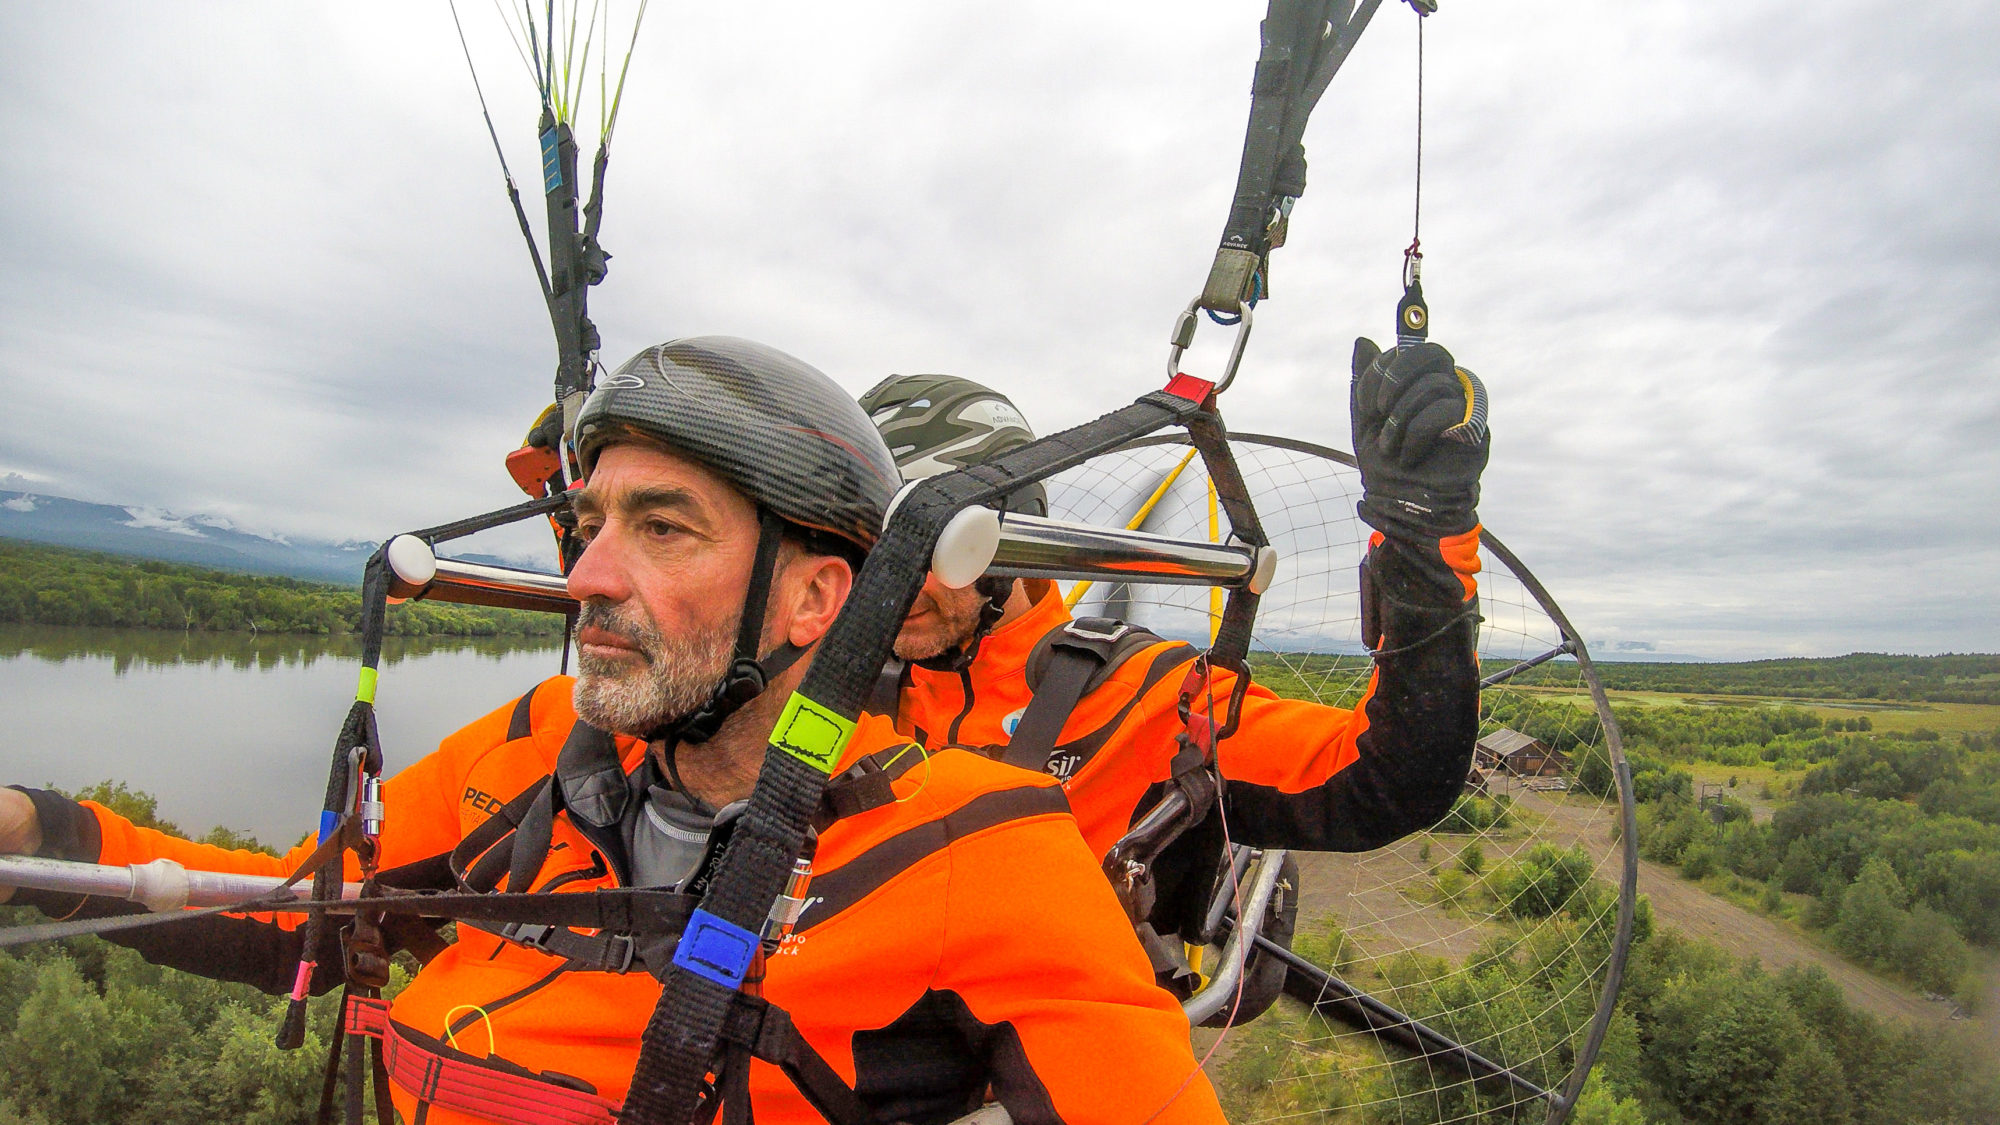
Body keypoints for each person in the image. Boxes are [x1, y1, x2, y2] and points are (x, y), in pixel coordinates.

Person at [1, 337, 1225, 1125]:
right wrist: (39, 830)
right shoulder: (541, 757)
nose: (585, 575)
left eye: (663, 528)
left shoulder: (976, 842)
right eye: (589, 524)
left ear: (814, 598)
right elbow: (293, 918)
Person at [859, 339, 1486, 865]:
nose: (893, 582)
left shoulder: (1142, 697)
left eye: (927, 544)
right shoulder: (837, 678)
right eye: (867, 548)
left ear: (1013, 529)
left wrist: (1422, 542)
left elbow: (1384, 781)